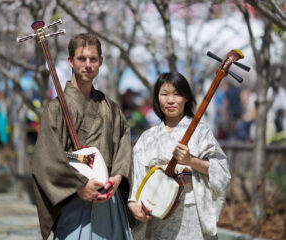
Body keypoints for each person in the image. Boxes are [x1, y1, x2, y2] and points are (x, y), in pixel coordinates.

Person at [31, 33, 132, 240]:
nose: (88, 64)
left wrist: (117, 178)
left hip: (109, 199)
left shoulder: (110, 107)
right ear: (70, 61)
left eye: (93, 59)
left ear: (100, 62)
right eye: (81, 58)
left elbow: (123, 143)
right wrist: (79, 187)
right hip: (74, 202)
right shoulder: (56, 109)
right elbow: (46, 159)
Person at [127, 72, 231, 240]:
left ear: (186, 98)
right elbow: (137, 179)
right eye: (164, 94)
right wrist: (133, 203)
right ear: (157, 98)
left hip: (192, 213)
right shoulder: (148, 138)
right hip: (157, 213)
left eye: (177, 94)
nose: (170, 100)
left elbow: (221, 171)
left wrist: (191, 161)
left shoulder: (200, 132)